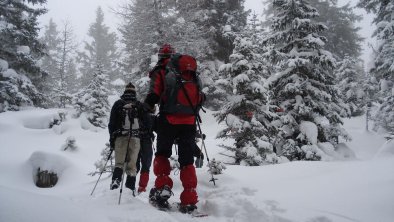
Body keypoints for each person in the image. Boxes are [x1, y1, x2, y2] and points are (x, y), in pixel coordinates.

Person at [143, 44, 205, 213]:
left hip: (168, 121)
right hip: (189, 122)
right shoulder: (189, 71)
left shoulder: (161, 71)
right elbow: (201, 97)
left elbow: (154, 95)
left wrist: (144, 109)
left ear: (160, 56)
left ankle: (162, 188)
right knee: (187, 161)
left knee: (163, 154)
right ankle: (189, 200)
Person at [108, 83, 143, 194]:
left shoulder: (118, 104)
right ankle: (130, 189)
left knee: (119, 163)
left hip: (120, 137)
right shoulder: (138, 104)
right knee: (132, 166)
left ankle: (116, 183)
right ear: (134, 92)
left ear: (125, 91)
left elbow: (111, 123)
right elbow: (146, 122)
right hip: (135, 138)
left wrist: (112, 139)